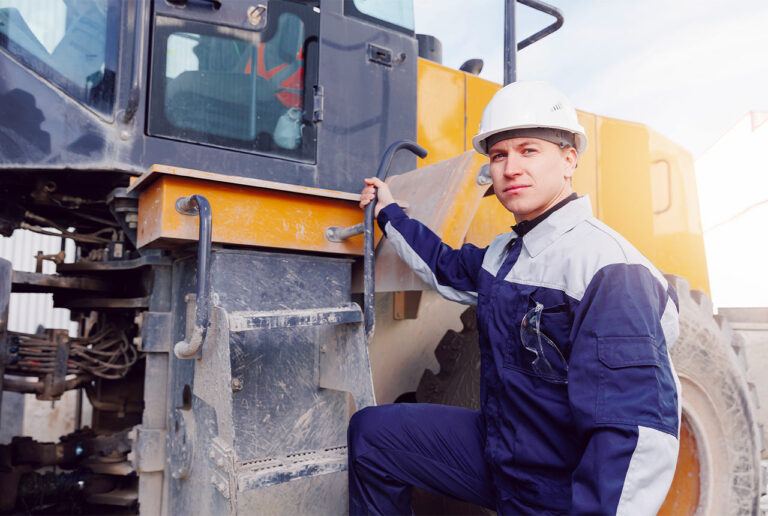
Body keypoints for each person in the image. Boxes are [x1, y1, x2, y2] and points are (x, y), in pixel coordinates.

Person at [348, 80, 681, 515]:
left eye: (528, 151)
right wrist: (390, 212)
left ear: (568, 160)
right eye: (500, 155)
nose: (510, 168)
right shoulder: (506, 253)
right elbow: (444, 267)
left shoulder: (608, 269)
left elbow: (637, 437)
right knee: (375, 435)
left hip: (559, 487)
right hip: (504, 453)